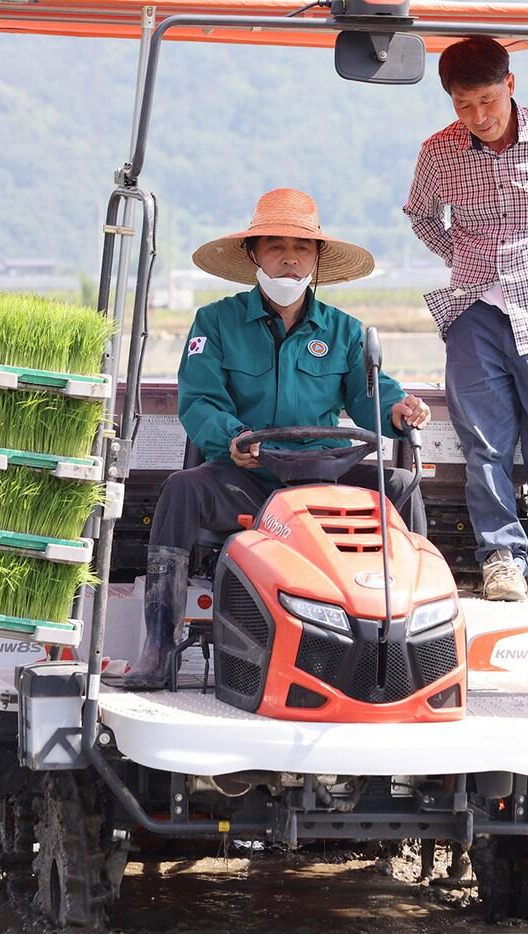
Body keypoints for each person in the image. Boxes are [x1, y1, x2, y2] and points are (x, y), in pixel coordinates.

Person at [121, 188, 432, 690]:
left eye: (302, 247)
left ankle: (407, 647)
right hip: (250, 476)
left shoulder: (346, 331)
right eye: (275, 246)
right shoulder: (215, 322)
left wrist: (399, 410)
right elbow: (199, 401)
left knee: (400, 487)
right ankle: (157, 647)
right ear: (253, 255)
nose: (290, 258)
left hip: (323, 482)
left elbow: (373, 397)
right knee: (182, 489)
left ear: (317, 259)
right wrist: (236, 440)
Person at [403, 37, 528, 602]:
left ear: (510, 85)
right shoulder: (439, 151)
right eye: (463, 105)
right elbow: (420, 215)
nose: (479, 117)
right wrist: (460, 254)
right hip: (474, 308)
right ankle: (500, 557)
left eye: (487, 100)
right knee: (485, 444)